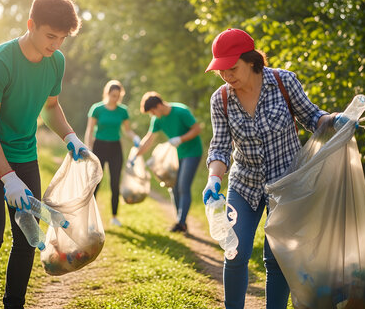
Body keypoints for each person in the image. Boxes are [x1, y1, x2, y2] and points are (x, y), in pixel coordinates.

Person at [0, 0, 89, 309]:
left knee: (27, 239)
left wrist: (71, 137)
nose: (56, 45)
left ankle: (14, 304)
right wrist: (8, 178)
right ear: (31, 24)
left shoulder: (55, 61)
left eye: (62, 38)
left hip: (24, 154)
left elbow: (51, 106)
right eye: (50, 36)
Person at [202, 28, 337, 309]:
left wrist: (336, 120)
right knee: (234, 251)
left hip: (287, 184)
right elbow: (220, 147)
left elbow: (312, 116)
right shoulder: (221, 99)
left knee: (277, 258)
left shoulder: (283, 81)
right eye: (221, 71)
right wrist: (214, 179)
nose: (227, 75)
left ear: (251, 60)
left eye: (232, 68)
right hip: (244, 183)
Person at [135, 91, 203, 233]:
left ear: (159, 105)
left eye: (153, 111)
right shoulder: (157, 119)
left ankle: (181, 222)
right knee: (173, 186)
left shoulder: (181, 111)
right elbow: (149, 138)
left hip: (192, 152)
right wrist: (136, 155)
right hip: (176, 155)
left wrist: (180, 139)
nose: (152, 115)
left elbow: (197, 129)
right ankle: (181, 221)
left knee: (183, 186)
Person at [84, 79, 140, 226]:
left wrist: (135, 137)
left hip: (115, 148)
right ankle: (91, 218)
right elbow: (89, 130)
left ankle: (114, 216)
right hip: (99, 147)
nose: (115, 98)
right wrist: (88, 148)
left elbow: (127, 130)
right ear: (107, 93)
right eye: (113, 95)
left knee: (115, 184)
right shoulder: (97, 109)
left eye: (117, 96)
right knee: (96, 183)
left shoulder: (123, 111)